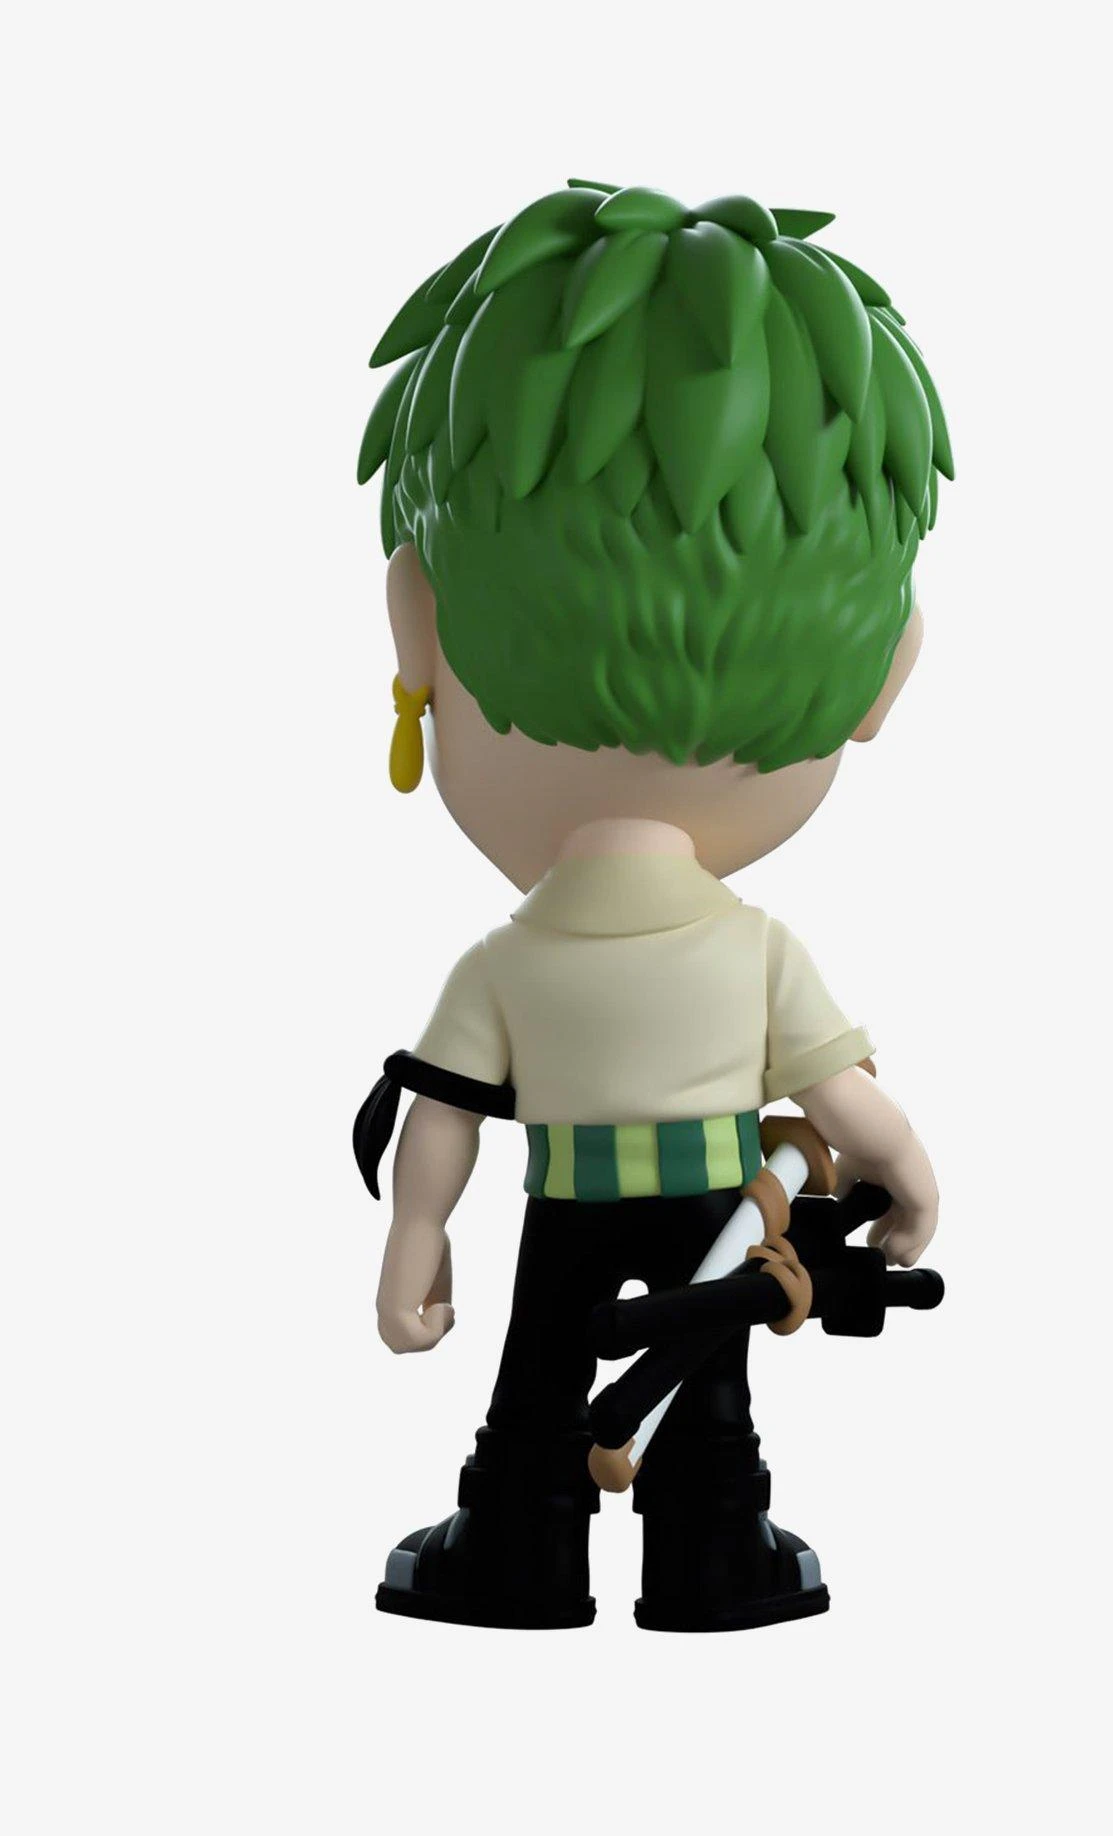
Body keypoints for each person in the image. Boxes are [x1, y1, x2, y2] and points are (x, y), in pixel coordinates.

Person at [353, 181, 951, 1632]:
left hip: (566, 1204)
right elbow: (848, 1105)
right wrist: (913, 1181)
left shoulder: (503, 964)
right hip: (711, 1208)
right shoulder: (757, 953)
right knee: (711, 1407)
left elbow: (445, 1118)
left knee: (537, 1382)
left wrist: (414, 1243)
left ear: (416, 626)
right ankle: (712, 1554)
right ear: (883, 673)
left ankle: (518, 1549)